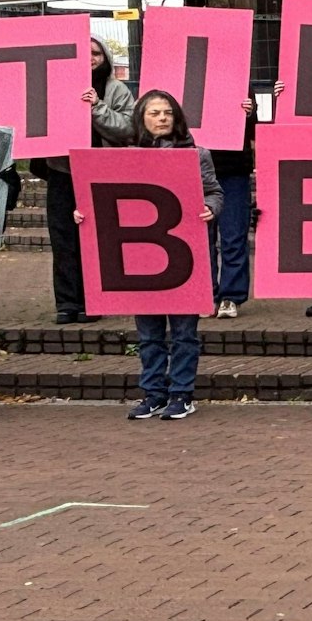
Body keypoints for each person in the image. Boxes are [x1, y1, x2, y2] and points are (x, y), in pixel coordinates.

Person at [73, 90, 220, 421]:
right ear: (141, 118)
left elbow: (214, 192)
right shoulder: (123, 156)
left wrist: (211, 207)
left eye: (168, 112)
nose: (162, 118)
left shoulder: (197, 155)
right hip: (140, 257)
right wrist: (83, 214)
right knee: (150, 334)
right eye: (154, 113)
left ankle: (182, 393)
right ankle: (153, 393)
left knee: (184, 333)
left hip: (183, 257)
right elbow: (103, 199)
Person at [37, 36, 135, 324]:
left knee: (96, 238)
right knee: (63, 240)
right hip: (63, 171)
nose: (91, 58)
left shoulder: (117, 90)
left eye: (96, 53)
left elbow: (129, 129)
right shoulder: (54, 87)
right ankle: (67, 303)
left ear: (105, 57)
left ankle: (93, 301)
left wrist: (97, 107)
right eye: (85, 53)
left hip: (101, 173)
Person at [210, 100, 258, 319]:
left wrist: (249, 114)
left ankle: (231, 295)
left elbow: (253, 129)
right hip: (195, 165)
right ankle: (205, 293)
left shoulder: (236, 73)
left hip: (233, 166)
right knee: (201, 237)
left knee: (234, 234)